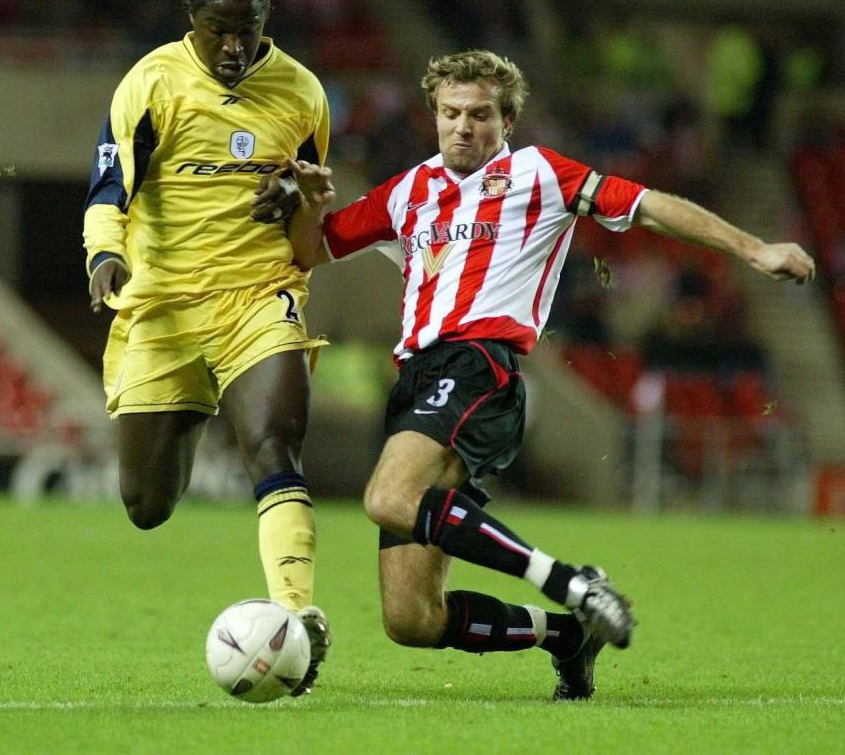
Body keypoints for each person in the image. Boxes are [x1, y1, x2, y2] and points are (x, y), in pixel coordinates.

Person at [267, 49, 815, 700]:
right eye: (450, 113)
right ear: (433, 114)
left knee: (387, 496)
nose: (462, 127)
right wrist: (305, 203)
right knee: (412, 618)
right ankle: (566, 634)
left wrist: (755, 248)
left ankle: (572, 581)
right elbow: (310, 250)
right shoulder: (408, 190)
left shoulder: (539, 174)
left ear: (507, 120)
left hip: (479, 366)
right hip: (417, 379)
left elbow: (649, 205)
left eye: (479, 115)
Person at [82, 0, 332, 696]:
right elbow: (107, 186)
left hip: (258, 294)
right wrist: (104, 257)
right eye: (219, 30)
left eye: (247, 30)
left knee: (272, 444)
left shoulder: (302, 93)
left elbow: (310, 213)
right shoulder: (152, 83)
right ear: (190, 21)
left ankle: (297, 619)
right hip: (162, 306)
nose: (233, 46)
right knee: (147, 504)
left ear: (266, 21)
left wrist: (301, 195)